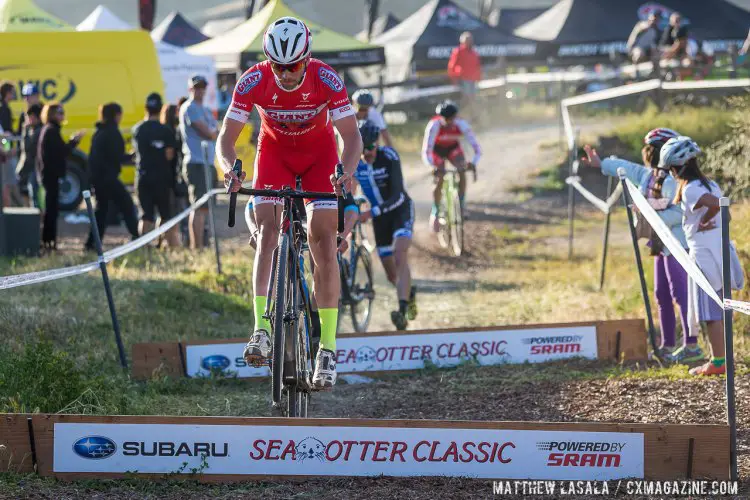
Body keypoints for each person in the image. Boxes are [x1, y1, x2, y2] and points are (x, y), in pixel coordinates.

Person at [218, 16, 362, 389]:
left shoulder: (326, 78)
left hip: (319, 159)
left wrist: (345, 171)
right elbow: (225, 140)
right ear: (268, 61)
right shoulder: (253, 80)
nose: (284, 74)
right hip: (275, 156)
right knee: (267, 233)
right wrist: (230, 168)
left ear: (307, 57)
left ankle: (327, 348)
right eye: (277, 65)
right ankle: (261, 329)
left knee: (324, 243)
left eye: (293, 65)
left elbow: (351, 137)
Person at [581, 128, 701, 363]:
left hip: (677, 245)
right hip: (660, 245)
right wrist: (602, 164)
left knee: (681, 295)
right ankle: (667, 344)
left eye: (649, 149)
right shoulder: (649, 176)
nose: (644, 153)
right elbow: (629, 169)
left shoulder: (672, 182)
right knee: (662, 295)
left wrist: (650, 215)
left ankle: (692, 345)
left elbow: (679, 212)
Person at [660, 137, 729, 376]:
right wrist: (711, 220)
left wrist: (706, 219)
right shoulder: (709, 183)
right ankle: (720, 359)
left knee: (709, 313)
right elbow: (724, 209)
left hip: (703, 258)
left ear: (676, 168)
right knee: (719, 308)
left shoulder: (689, 189)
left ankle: (718, 362)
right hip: (718, 253)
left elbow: (717, 205)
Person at [355, 120, 417, 330]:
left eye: (371, 147)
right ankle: (409, 292)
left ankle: (401, 311)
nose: (367, 152)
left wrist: (371, 212)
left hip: (399, 210)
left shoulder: (389, 156)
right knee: (392, 274)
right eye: (362, 148)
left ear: (377, 143)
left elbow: (398, 194)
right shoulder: (355, 162)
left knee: (400, 254)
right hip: (379, 218)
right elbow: (349, 189)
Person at [85, 102, 139, 250]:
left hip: (99, 178)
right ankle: (136, 237)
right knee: (127, 205)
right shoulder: (112, 132)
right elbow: (117, 157)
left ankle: (92, 243)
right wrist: (132, 156)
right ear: (116, 115)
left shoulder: (99, 132)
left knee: (101, 212)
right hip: (108, 178)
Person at [422, 100, 481, 232]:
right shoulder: (433, 126)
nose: (448, 121)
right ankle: (435, 211)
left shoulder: (461, 124)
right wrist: (432, 166)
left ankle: (461, 205)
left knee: (462, 170)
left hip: (453, 149)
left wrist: (473, 163)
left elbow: (477, 148)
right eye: (445, 118)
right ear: (440, 117)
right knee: (440, 176)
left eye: (451, 118)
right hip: (437, 150)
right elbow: (426, 150)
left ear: (455, 117)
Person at [37, 102, 85, 250]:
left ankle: (49, 242)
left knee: (51, 210)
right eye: (59, 112)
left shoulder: (49, 130)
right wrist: (74, 141)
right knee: (51, 211)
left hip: (49, 175)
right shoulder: (51, 131)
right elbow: (62, 152)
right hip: (51, 176)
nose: (62, 115)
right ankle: (49, 243)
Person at [133, 93, 179, 246]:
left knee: (146, 216)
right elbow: (169, 155)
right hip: (162, 177)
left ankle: (144, 246)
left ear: (146, 108)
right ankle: (161, 243)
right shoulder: (165, 131)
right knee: (164, 214)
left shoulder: (138, 129)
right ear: (160, 109)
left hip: (143, 176)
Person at [179, 75, 218, 249]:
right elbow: (209, 132)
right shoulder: (190, 108)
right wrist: (213, 132)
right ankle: (197, 247)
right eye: (196, 87)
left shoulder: (206, 110)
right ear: (190, 89)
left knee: (205, 208)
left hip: (207, 162)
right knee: (198, 206)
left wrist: (214, 132)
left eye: (202, 87)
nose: (199, 90)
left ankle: (201, 244)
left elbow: (215, 131)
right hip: (196, 162)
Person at [447, 32, 481, 122]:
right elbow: (452, 66)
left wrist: (478, 77)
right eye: (467, 40)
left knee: (472, 98)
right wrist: (454, 79)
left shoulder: (474, 53)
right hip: (463, 79)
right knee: (468, 98)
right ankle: (467, 117)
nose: (469, 42)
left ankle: (470, 117)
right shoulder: (458, 51)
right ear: (463, 42)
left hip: (472, 80)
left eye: (470, 40)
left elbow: (477, 66)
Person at [16, 103, 43, 208]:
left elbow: (27, 148)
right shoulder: (34, 129)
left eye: (29, 117)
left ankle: (36, 218)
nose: (27, 120)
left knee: (35, 196)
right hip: (32, 167)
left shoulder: (37, 131)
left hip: (35, 168)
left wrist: (25, 131)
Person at [0, 81, 20, 207]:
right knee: (7, 182)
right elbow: (6, 132)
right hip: (5, 149)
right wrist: (7, 151)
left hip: (5, 146)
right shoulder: (4, 109)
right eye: (12, 92)